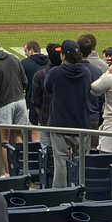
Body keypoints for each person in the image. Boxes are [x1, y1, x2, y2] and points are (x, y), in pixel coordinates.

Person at [45, 42, 93, 185]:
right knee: (82, 163)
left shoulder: (55, 72)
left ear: (64, 55)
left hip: (59, 124)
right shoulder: (86, 72)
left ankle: (60, 195)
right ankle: (82, 191)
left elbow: (48, 89)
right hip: (82, 124)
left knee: (60, 162)